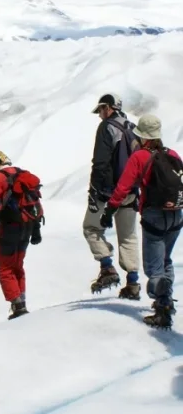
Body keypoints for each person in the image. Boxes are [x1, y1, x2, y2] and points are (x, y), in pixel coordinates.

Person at [101, 114, 183, 329]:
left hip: (154, 215)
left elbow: (123, 187)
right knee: (165, 260)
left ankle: (162, 307)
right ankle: (167, 301)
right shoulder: (173, 154)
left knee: (153, 267)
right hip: (176, 215)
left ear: (143, 137)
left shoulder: (139, 157)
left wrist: (109, 210)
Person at [84, 93, 141, 297]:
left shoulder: (106, 127)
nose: (100, 114)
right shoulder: (133, 128)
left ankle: (107, 267)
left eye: (100, 109)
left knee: (91, 228)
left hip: (109, 192)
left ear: (108, 108)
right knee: (128, 236)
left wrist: (94, 190)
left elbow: (100, 162)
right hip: (131, 191)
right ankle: (133, 283)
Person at [0, 149, 42, 320]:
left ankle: (18, 307)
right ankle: (21, 302)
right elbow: (35, 202)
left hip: (9, 227)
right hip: (27, 226)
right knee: (17, 265)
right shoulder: (20, 173)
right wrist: (36, 229)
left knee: (4, 268)